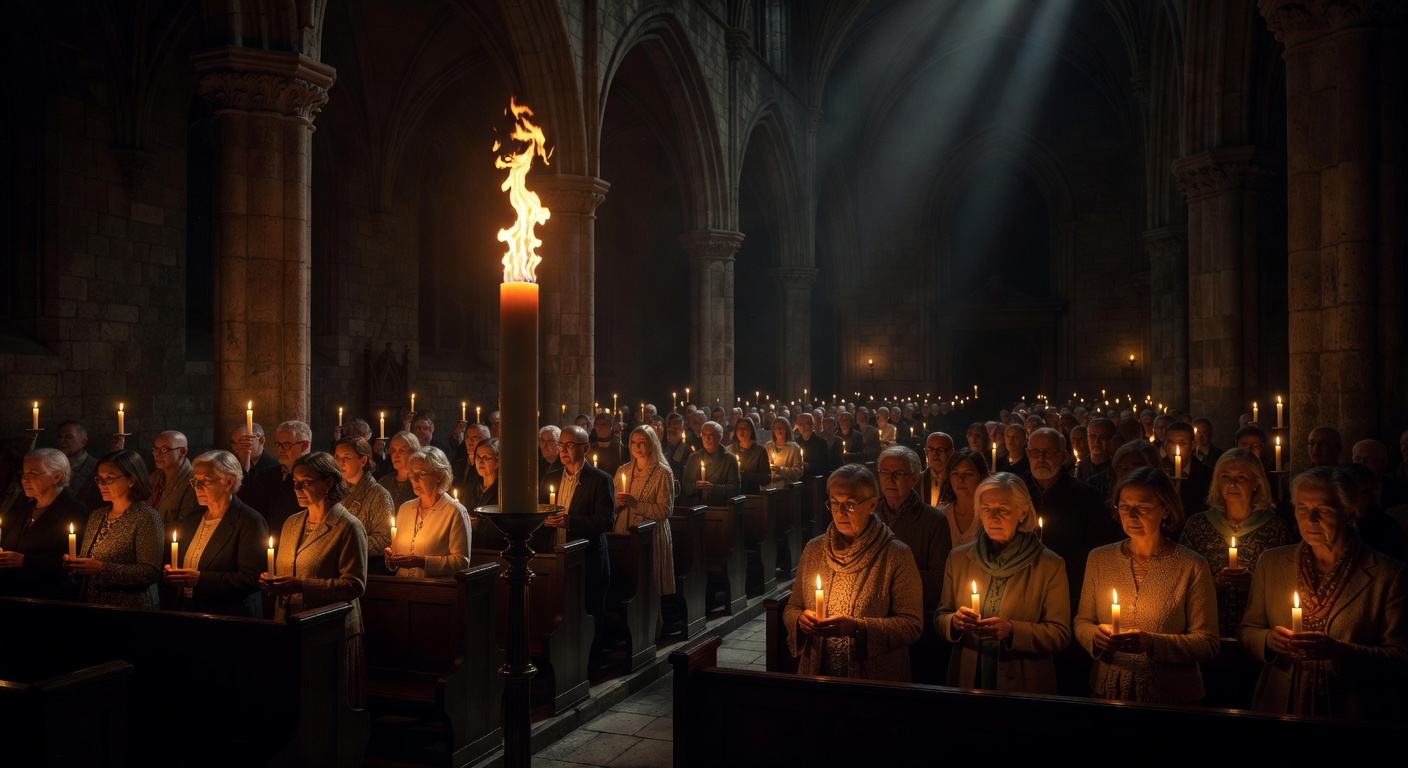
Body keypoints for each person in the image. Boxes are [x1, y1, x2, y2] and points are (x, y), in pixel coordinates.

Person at [1238, 466, 1408, 721]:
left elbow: (1400, 658)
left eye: (1324, 509)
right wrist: (1267, 640)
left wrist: (1338, 652)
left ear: (1350, 514)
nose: (1311, 519)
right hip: (1280, 707)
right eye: (1302, 508)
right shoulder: (1271, 563)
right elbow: (1247, 629)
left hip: (1350, 712)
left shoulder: (1388, 575)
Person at [1074, 467, 1219, 704]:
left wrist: (1153, 643)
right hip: (1109, 690)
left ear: (1165, 509)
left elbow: (1207, 642)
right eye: (1124, 506)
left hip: (1171, 697)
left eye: (1142, 507)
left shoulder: (1191, 565)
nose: (1131, 515)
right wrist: (1095, 636)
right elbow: (1082, 621)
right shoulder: (1099, 559)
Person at [783, 464, 923, 681]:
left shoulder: (896, 555)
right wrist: (800, 619)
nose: (840, 512)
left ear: (872, 505)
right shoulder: (814, 550)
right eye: (834, 503)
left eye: (849, 504)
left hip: (874, 678)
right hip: (817, 672)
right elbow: (792, 606)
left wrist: (858, 627)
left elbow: (912, 625)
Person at [935, 472, 1070, 693]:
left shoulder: (1049, 564)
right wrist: (954, 622)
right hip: (969, 678)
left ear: (1023, 512)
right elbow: (941, 616)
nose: (994, 517)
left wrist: (1012, 631)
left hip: (1023, 684)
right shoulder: (959, 558)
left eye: (1004, 510)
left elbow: (1060, 635)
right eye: (987, 509)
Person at [261, 451, 368, 706]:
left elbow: (355, 584)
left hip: (330, 631)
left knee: (327, 703)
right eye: (295, 482)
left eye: (306, 482)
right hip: (293, 625)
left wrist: (301, 585)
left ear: (329, 482)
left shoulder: (347, 526)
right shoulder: (292, 523)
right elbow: (288, 568)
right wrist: (273, 580)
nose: (296, 488)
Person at [1181, 449, 1296, 636]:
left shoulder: (1276, 529)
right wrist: (1212, 585)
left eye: (1241, 477)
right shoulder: (1197, 525)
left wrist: (1255, 586)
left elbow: (1287, 586)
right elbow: (1182, 580)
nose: (1232, 483)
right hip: (1205, 629)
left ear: (1256, 482)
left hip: (1259, 632)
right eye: (1225, 477)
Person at [875, 445, 953, 684]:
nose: (890, 479)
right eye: (884, 472)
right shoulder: (868, 515)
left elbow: (938, 579)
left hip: (917, 626)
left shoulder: (934, 520)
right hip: (873, 623)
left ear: (914, 479)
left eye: (898, 474)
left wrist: (887, 585)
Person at [541, 425, 616, 662]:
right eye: (561, 445)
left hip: (587, 558)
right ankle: (563, 662)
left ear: (586, 447)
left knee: (590, 611)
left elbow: (606, 521)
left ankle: (591, 662)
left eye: (570, 445)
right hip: (556, 555)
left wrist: (570, 521)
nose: (563, 450)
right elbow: (541, 510)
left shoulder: (600, 479)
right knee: (559, 613)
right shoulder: (552, 477)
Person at [163, 450, 267, 616]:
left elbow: (252, 578)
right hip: (190, 612)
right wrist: (173, 574)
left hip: (230, 618)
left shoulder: (249, 521)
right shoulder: (193, 519)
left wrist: (200, 579)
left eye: (205, 480)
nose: (197, 487)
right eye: (195, 480)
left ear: (229, 482)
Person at [66, 450, 163, 609]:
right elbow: (88, 560)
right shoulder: (97, 516)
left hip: (131, 608)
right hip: (94, 603)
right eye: (99, 479)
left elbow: (149, 572)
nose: (102, 485)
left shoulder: (146, 517)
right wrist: (76, 565)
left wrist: (102, 568)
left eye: (109, 478)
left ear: (131, 479)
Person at [0, 448, 89, 599]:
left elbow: (75, 564)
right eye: (24, 473)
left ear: (56, 476)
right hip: (13, 595)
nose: (25, 479)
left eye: (33, 474)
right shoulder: (22, 511)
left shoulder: (77, 514)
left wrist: (25, 561)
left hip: (50, 599)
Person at [384, 446, 471, 578]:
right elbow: (397, 556)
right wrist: (391, 558)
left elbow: (461, 562)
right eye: (412, 473)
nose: (414, 479)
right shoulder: (405, 508)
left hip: (434, 590)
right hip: (401, 588)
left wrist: (422, 562)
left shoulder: (455, 511)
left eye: (421, 473)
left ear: (439, 475)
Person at [614, 426, 677, 607]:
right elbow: (612, 504)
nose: (637, 446)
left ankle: (653, 623)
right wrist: (617, 503)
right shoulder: (622, 471)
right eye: (633, 442)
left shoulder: (662, 472)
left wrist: (636, 505)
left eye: (642, 443)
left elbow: (665, 510)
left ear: (651, 445)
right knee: (627, 583)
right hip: (624, 533)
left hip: (652, 536)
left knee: (649, 583)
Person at [334, 436, 394, 564]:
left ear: (363, 460)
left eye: (346, 458)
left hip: (366, 567)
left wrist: (346, 545)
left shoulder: (378, 494)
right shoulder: (335, 490)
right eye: (337, 458)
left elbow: (384, 539)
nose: (339, 464)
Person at [148, 430, 199, 528]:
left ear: (182, 451)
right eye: (155, 449)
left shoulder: (193, 482)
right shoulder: (154, 477)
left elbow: (185, 525)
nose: (156, 454)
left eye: (164, 450)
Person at [938, 448, 988, 547]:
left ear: (981, 476)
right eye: (955, 473)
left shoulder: (989, 515)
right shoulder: (941, 517)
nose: (961, 479)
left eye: (968, 474)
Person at [683, 421, 741, 505]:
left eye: (711, 435)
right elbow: (685, 486)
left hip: (720, 507)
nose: (707, 439)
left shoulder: (730, 459)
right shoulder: (693, 458)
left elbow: (735, 488)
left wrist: (713, 488)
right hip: (696, 506)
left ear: (719, 437)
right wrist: (696, 486)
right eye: (704, 435)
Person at [377, 431, 421, 510]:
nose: (395, 455)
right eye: (393, 451)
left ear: (413, 453)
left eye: (401, 451)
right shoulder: (384, 483)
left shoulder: (420, 482)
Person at [728, 417, 770, 494]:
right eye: (739, 428)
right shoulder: (730, 450)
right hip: (733, 493)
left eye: (745, 428)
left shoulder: (759, 451)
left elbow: (766, 478)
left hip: (751, 493)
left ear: (751, 430)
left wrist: (747, 475)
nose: (742, 431)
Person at [763, 417, 803, 490]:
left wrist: (781, 470)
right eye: (776, 428)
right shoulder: (767, 447)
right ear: (773, 431)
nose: (779, 430)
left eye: (781, 428)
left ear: (787, 430)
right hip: (769, 486)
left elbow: (799, 471)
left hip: (787, 487)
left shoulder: (794, 448)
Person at [465, 438, 500, 513]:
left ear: (497, 461)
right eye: (478, 457)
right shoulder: (470, 489)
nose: (481, 461)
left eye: (486, 457)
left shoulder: (503, 491)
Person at [921, 432, 954, 508]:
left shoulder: (956, 479)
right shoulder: (918, 480)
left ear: (951, 452)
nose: (935, 454)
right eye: (931, 449)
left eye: (940, 449)